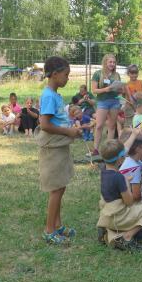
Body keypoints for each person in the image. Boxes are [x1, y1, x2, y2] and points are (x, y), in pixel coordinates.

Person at [36, 56, 82, 245]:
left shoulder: (55, 95)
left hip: (60, 147)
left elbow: (57, 119)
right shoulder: (48, 95)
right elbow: (45, 125)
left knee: (60, 186)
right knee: (56, 189)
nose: (67, 78)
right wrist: (68, 131)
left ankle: (58, 225)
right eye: (66, 75)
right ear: (55, 74)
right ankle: (49, 230)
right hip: (52, 149)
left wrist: (72, 125)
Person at [96, 133, 142, 252]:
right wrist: (127, 183)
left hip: (108, 213)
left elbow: (124, 149)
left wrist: (134, 134)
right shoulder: (120, 178)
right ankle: (128, 236)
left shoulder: (104, 171)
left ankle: (107, 229)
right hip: (118, 217)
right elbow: (129, 202)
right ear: (120, 159)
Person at [91, 54, 123, 155]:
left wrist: (119, 90)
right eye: (110, 62)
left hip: (115, 102)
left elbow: (120, 91)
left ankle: (109, 150)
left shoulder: (117, 75)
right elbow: (94, 90)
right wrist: (106, 89)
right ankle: (95, 149)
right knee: (99, 125)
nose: (112, 64)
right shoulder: (97, 74)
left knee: (112, 126)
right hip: (102, 102)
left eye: (114, 62)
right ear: (105, 62)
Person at [119, 130, 142, 201]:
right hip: (129, 201)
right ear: (138, 149)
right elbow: (136, 196)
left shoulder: (132, 160)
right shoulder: (134, 167)